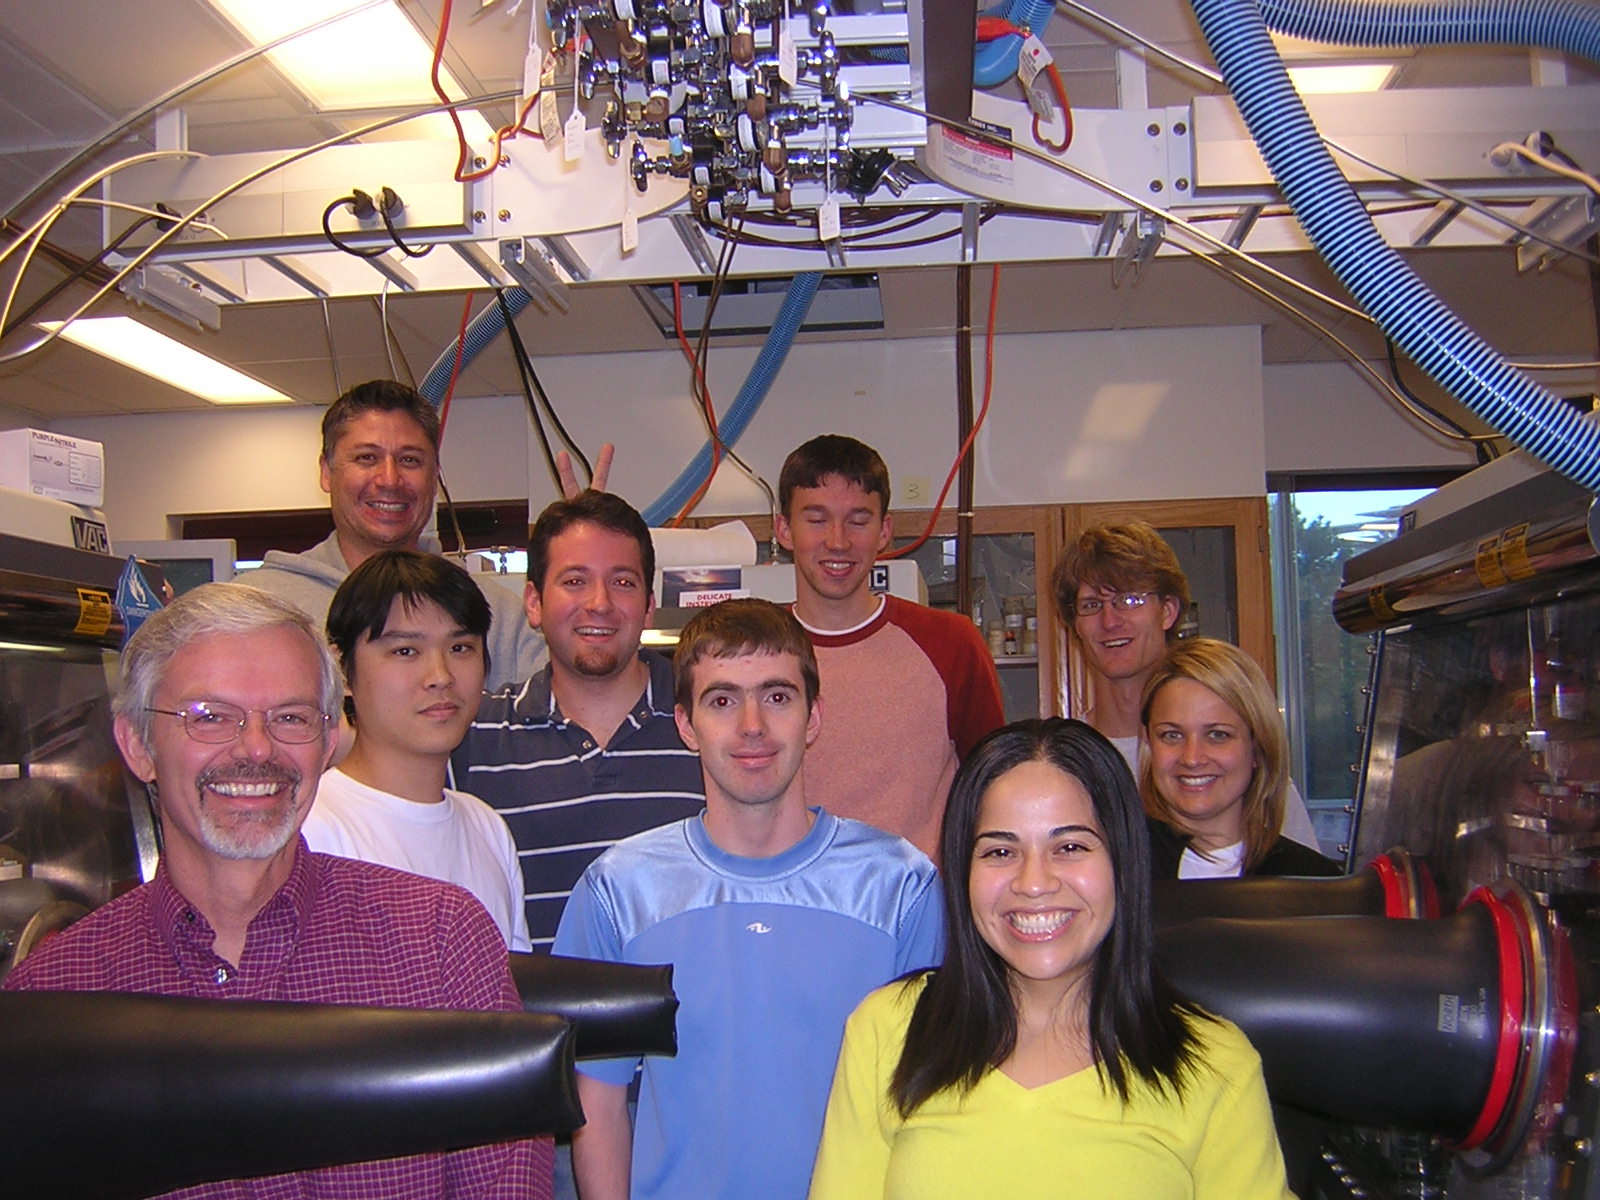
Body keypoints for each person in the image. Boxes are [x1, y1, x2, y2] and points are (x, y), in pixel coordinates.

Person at [3, 582, 550, 1199]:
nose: (257, 747)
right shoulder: (54, 999)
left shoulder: (442, 942)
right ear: (137, 745)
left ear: (325, 743)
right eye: (210, 716)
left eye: (291, 717)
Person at [554, 598, 944, 1200]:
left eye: (778, 696)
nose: (752, 724)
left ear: (814, 716)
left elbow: (929, 1103)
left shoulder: (901, 887)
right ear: (686, 725)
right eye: (722, 700)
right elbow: (597, 1101)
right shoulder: (618, 891)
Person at [807, 718, 1292, 1200]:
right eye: (1000, 851)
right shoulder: (889, 1030)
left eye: (1070, 847)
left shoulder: (1215, 1064)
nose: (1033, 883)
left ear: (1123, 862)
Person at [451, 490, 704, 949]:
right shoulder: (473, 736)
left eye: (622, 582)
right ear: (533, 602)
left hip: (683, 998)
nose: (599, 603)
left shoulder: (711, 724)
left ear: (649, 605)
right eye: (574, 581)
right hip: (527, 998)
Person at [247, 378, 609, 691]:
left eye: (409, 460)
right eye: (367, 458)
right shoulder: (260, 606)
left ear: (434, 476)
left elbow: (579, 698)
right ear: (326, 471)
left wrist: (589, 547)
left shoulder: (497, 615)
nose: (389, 479)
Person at [775, 434, 1004, 858]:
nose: (838, 541)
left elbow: (995, 788)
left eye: (858, 520)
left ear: (884, 531)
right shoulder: (755, 653)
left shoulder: (950, 643)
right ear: (784, 529)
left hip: (921, 899)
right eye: (817, 519)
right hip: (791, 896)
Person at [304, 550, 531, 950]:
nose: (440, 676)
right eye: (406, 651)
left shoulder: (487, 828)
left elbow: (508, 986)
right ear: (342, 670)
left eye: (460, 648)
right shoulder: (311, 830)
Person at [1051, 521, 1320, 849]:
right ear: (1075, 625)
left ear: (1167, 611)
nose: (1110, 621)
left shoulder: (1231, 760)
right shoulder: (1062, 759)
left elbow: (1299, 874)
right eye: (1092, 605)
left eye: (1130, 600)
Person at [1141, 639, 1342, 878]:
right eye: (1172, 735)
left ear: (1257, 746)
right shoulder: (1114, 869)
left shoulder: (1311, 880)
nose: (1192, 758)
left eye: (1218, 735)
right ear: (1148, 742)